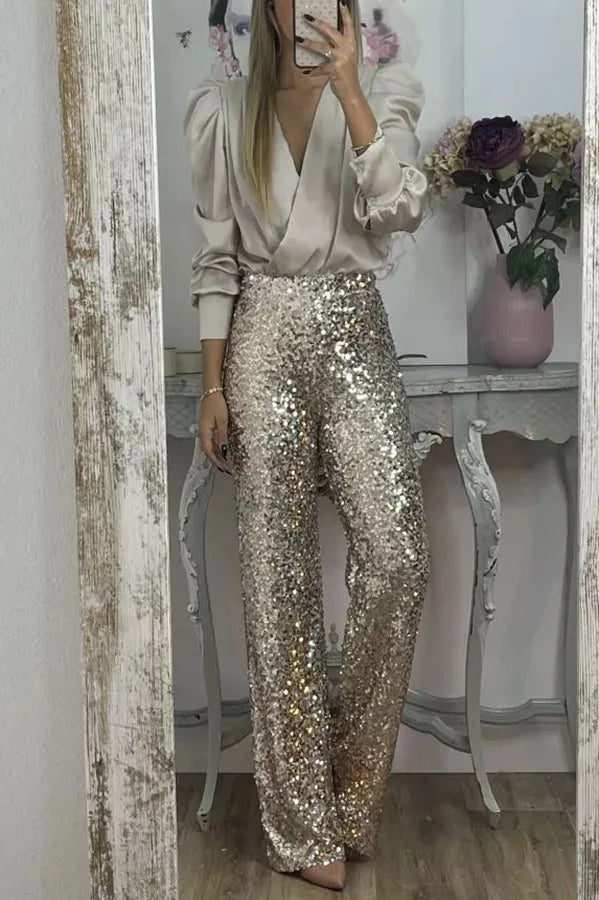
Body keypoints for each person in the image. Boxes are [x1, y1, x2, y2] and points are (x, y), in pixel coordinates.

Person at [184, 0, 431, 890]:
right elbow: (217, 259)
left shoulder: (385, 92)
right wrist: (214, 385)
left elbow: (398, 209)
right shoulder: (224, 110)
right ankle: (298, 825)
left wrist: (352, 92)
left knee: (397, 557)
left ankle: (349, 797)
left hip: (354, 326)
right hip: (261, 341)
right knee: (274, 575)